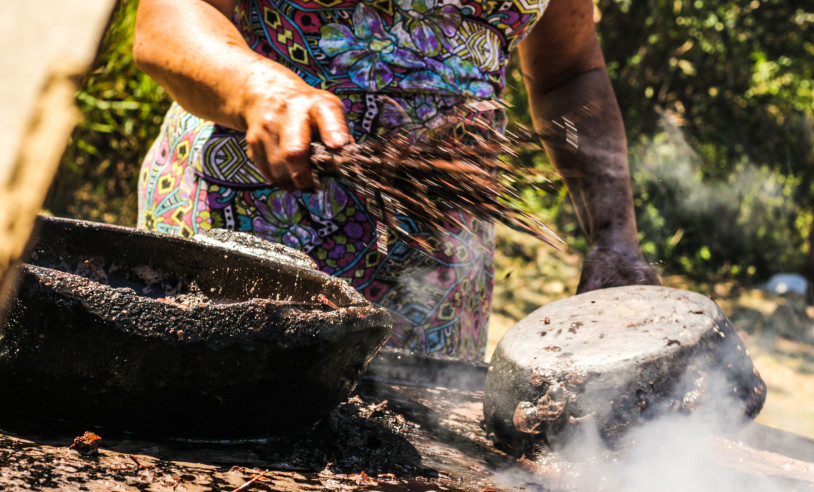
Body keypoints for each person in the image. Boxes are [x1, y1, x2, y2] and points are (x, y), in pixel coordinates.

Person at [133, 0, 659, 361]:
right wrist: (257, 89)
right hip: (249, 222)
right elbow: (167, 20)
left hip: (438, 268)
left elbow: (570, 72)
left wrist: (615, 236)